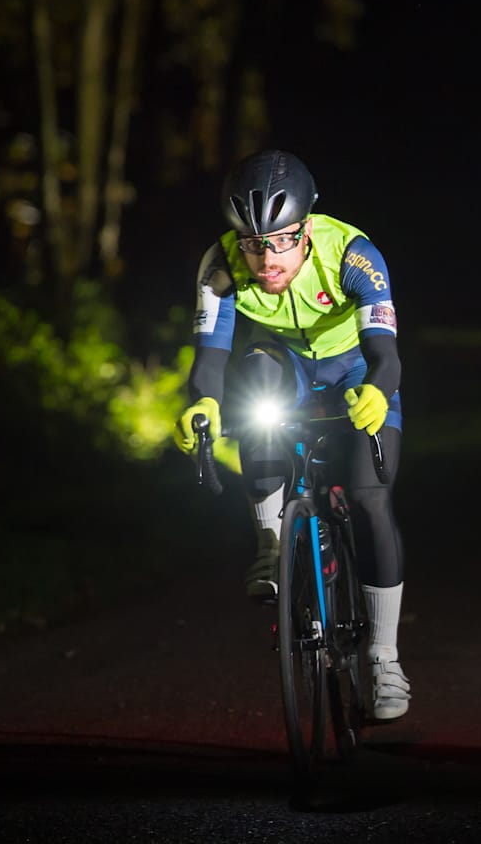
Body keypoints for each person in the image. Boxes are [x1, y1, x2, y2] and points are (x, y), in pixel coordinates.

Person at [172, 149, 411, 721]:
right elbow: (210, 356)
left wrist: (377, 392)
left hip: (355, 369)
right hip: (284, 364)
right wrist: (201, 401)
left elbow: (386, 356)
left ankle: (383, 657)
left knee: (369, 499)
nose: (266, 257)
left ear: (305, 229)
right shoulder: (220, 264)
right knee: (254, 389)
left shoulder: (355, 255)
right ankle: (270, 543)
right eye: (254, 243)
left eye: (281, 240)